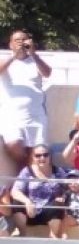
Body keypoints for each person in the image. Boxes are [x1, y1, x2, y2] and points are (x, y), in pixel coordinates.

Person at [0, 29, 52, 167]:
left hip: (36, 115)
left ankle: (29, 178)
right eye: (17, 40)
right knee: (13, 143)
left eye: (24, 40)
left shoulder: (34, 61)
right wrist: (14, 56)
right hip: (12, 116)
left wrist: (34, 54)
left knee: (37, 151)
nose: (21, 43)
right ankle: (27, 171)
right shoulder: (6, 61)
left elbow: (47, 73)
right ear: (10, 44)